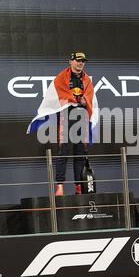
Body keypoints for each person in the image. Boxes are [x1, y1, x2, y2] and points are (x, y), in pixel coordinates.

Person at [53, 52, 96, 196]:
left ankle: (79, 186)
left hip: (81, 117)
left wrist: (85, 101)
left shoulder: (87, 79)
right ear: (70, 61)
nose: (80, 64)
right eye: (78, 61)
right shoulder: (62, 77)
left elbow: (89, 95)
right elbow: (59, 92)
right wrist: (75, 100)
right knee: (63, 151)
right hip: (66, 115)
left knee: (80, 153)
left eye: (83, 61)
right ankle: (60, 186)